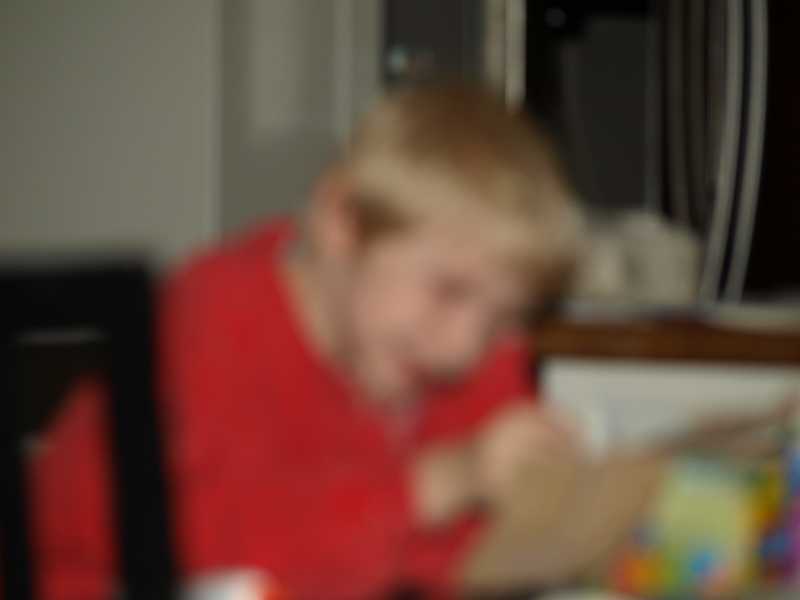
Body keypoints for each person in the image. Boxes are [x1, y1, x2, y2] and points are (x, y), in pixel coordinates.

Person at [18, 84, 789, 600]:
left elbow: (445, 561)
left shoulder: (461, 348)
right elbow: (198, 550)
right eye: (447, 290)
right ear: (342, 224)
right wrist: (439, 483)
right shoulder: (212, 320)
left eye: (504, 317)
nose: (464, 345)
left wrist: (568, 520)